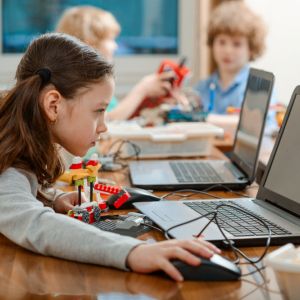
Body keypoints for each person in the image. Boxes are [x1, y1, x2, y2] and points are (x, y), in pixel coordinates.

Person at [0, 33, 220, 282]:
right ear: (53, 105)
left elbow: (15, 195)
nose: (104, 126)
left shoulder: (20, 142)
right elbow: (36, 225)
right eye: (99, 111)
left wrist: (52, 198)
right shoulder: (7, 162)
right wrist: (133, 252)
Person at [56, 6, 176, 121]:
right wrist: (142, 89)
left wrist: (149, 100)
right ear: (90, 44)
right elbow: (107, 120)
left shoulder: (97, 80)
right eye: (110, 39)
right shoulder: (78, 85)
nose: (115, 46)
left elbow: (118, 114)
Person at [194, 1, 267, 114]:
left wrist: (205, 121)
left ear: (251, 49)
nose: (228, 51)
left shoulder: (259, 90)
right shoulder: (201, 89)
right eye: (222, 42)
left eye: (237, 44)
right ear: (212, 43)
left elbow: (264, 128)